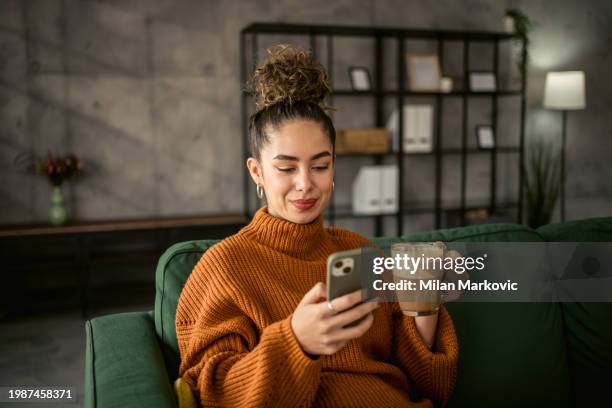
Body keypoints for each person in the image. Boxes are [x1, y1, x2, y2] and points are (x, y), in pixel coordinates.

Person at [175, 43, 458, 408]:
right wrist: (297, 342)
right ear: (256, 171)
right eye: (287, 168)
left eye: (320, 166)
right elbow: (213, 393)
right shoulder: (224, 267)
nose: (306, 183)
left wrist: (425, 304)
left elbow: (430, 387)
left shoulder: (363, 252)